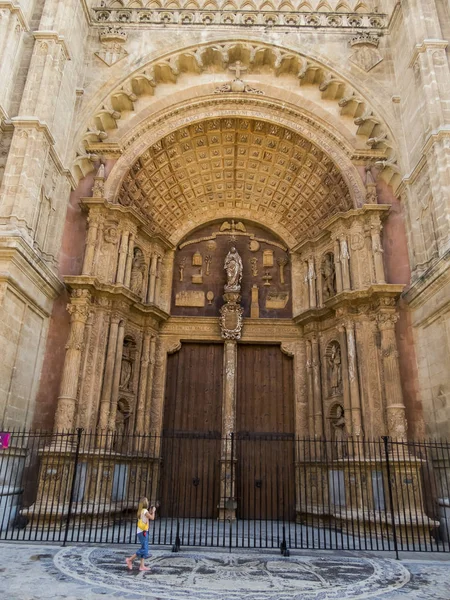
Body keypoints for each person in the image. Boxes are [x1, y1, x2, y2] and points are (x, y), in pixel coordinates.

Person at [125, 497, 156, 572]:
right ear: (145, 503)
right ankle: (130, 559)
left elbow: (146, 518)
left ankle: (142, 566)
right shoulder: (145, 511)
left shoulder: (141, 511)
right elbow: (152, 518)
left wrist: (150, 512)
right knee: (144, 549)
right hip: (143, 532)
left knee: (143, 547)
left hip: (141, 531)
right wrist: (154, 511)